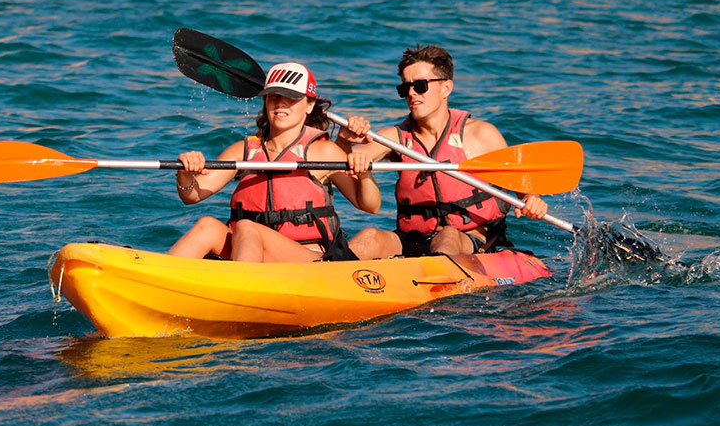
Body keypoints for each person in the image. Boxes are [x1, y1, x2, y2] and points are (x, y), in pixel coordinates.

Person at [338, 44, 549, 259]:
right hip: (412, 238)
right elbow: (352, 158)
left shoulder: (480, 135)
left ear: (446, 88)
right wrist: (346, 141)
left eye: (420, 86)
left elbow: (521, 185)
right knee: (369, 236)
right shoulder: (396, 137)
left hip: (470, 240)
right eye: (405, 88)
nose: (411, 94)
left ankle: (437, 282)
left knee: (448, 235)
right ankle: (327, 272)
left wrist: (533, 200)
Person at [168, 62, 379, 263]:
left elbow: (370, 205)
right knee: (207, 226)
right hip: (251, 249)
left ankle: (238, 291)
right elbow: (193, 195)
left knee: (247, 228)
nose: (280, 103)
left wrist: (365, 174)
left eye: (291, 97)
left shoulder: (323, 151)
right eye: (274, 96)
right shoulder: (245, 151)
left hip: (309, 259)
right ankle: (156, 275)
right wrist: (185, 173)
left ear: (309, 105)